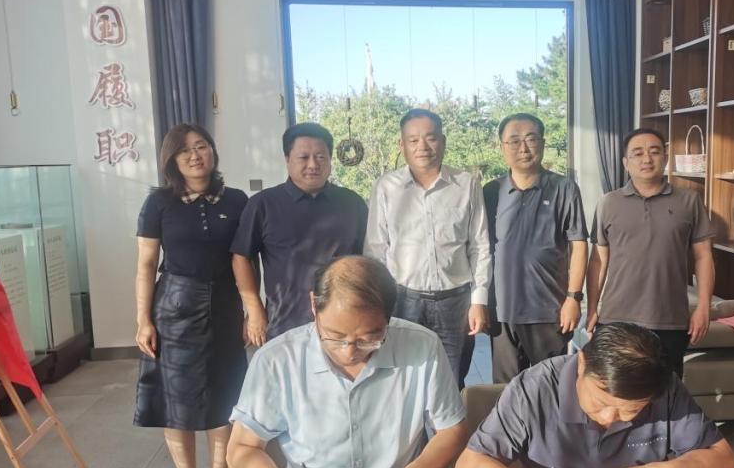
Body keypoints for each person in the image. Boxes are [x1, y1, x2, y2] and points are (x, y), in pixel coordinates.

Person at [227, 256, 469, 468]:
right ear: (313, 305)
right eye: (334, 336)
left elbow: (451, 430)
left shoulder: (422, 347)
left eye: (368, 340)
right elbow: (242, 449)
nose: (349, 352)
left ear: (388, 318)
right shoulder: (277, 360)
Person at [454, 322, 734, 468]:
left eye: (630, 410)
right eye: (600, 402)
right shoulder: (535, 388)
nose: (608, 418)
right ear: (582, 364)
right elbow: (469, 465)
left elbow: (724, 461)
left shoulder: (665, 389)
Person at [134, 124, 249, 468]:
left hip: (225, 306)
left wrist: (251, 308)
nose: (195, 155)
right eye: (185, 151)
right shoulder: (158, 203)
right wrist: (143, 319)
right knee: (176, 401)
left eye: (201, 146)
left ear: (212, 151)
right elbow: (146, 265)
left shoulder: (236, 200)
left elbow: (245, 260)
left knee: (224, 396)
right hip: (175, 308)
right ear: (173, 160)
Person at [364, 108, 491, 388]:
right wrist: (379, 305)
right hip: (402, 301)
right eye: (413, 140)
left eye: (431, 138)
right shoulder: (386, 187)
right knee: (403, 379)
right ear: (402, 145)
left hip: (456, 303)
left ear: (442, 142)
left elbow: (479, 245)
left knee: (451, 380)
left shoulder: (466, 184)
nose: (422, 146)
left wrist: (478, 300)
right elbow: (375, 251)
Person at [586, 128, 715, 378]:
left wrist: (703, 308)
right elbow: (598, 261)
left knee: (667, 391)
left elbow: (704, 256)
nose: (647, 159)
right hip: (616, 319)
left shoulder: (689, 201)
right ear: (626, 163)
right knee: (615, 390)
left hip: (671, 320)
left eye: (654, 152)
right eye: (637, 153)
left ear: (665, 158)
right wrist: (592, 308)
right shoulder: (608, 203)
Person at [231, 122, 367, 345]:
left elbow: (366, 258)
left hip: (344, 321)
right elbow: (241, 257)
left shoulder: (352, 203)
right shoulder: (263, 204)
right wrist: (254, 310)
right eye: (303, 157)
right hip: (283, 323)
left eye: (321, 157)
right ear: (287, 159)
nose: (313, 164)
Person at [483, 113, 588, 384]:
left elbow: (578, 245)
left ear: (542, 142)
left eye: (531, 139)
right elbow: (479, 251)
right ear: (502, 147)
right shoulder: (490, 192)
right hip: (502, 311)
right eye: (514, 141)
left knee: (550, 387)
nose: (523, 148)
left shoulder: (564, 188)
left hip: (549, 309)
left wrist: (574, 298)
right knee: (505, 391)